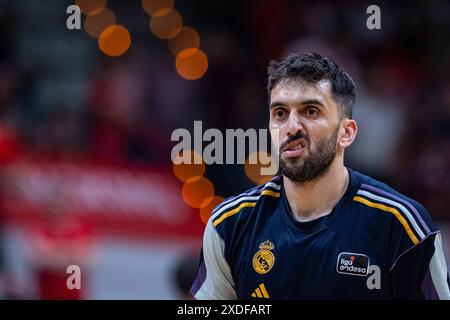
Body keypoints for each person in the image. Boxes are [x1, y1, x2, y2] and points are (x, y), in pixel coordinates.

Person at [190, 52, 450, 299]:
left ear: (346, 133)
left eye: (310, 111)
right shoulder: (230, 223)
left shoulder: (402, 226)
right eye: (280, 113)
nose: (292, 127)